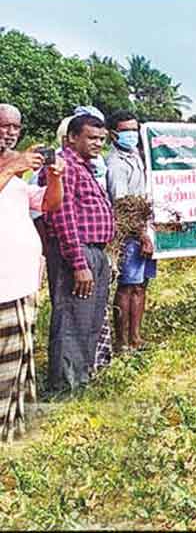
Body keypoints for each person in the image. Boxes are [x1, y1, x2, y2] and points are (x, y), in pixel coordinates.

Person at [40, 114, 115, 394]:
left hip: (94, 251)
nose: (97, 144)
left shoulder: (84, 166)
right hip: (77, 252)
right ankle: (65, 387)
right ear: (72, 137)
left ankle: (80, 379)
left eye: (101, 139)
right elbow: (62, 216)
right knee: (72, 320)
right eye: (91, 138)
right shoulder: (65, 166)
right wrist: (78, 263)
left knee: (89, 320)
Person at [0, 141, 64, 439]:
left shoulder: (16, 179)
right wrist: (14, 165)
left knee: (17, 359)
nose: (8, 134)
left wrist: (54, 178)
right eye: (2, 126)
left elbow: (49, 204)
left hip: (20, 280)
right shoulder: (11, 169)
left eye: (14, 127)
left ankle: (11, 426)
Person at [105, 110, 155, 351]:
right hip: (129, 235)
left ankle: (136, 338)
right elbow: (122, 207)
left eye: (134, 129)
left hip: (144, 231)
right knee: (127, 287)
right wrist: (142, 235)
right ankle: (122, 342)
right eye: (126, 131)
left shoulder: (135, 154)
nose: (131, 135)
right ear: (114, 134)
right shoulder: (115, 164)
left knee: (141, 285)